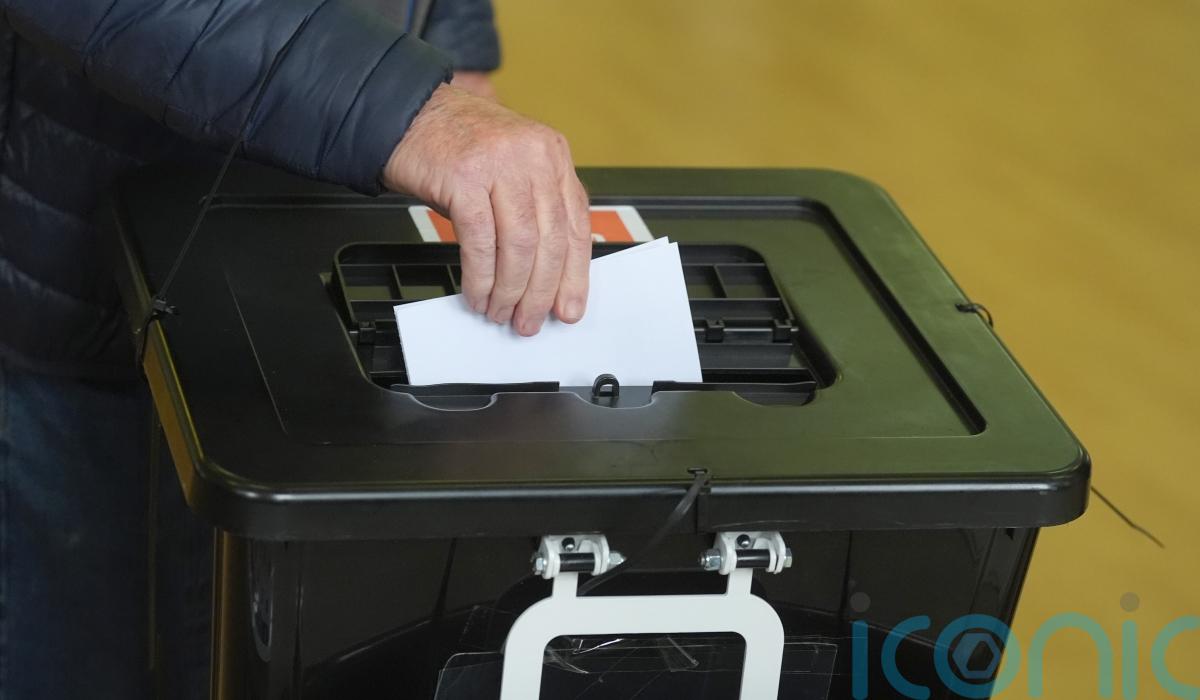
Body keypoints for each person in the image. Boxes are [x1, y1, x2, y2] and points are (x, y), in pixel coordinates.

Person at [0, 0, 589, 696]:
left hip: (306, 279)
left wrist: (451, 44)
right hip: (84, 287)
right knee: (80, 650)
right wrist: (411, 109)